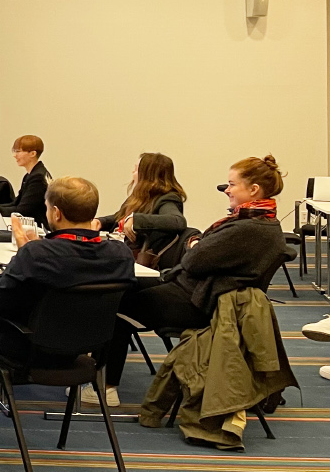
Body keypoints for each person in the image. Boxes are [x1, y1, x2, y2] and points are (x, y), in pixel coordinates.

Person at [0, 177, 136, 423]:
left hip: (28, 348)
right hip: (83, 351)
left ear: (56, 213)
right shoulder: (120, 255)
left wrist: (24, 255)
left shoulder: (38, 253)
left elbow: (0, 302)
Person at [100, 155, 288, 406]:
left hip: (199, 303)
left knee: (115, 304)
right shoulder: (257, 222)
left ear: (253, 189)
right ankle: (104, 382)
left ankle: (105, 388)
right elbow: (198, 251)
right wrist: (196, 244)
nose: (226, 190)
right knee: (122, 292)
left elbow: (193, 262)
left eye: (232, 184)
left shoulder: (248, 228)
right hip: (201, 293)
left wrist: (197, 246)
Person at [96, 153, 187, 266]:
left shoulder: (168, 198)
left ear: (147, 175)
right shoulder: (139, 197)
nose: (132, 173)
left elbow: (177, 221)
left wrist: (137, 220)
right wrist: (100, 222)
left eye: (136, 170)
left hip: (141, 262)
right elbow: (120, 217)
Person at [0, 134, 51, 227]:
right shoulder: (31, 174)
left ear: (32, 154)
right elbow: (16, 203)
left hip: (37, 228)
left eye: (18, 151)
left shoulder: (37, 177)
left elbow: (22, 211)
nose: (15, 155)